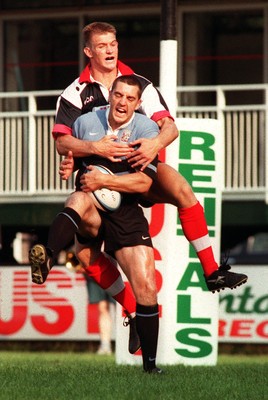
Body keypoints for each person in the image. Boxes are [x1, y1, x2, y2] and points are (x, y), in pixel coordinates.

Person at [52, 21, 248, 293]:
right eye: (101, 46)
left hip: (137, 170)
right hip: (97, 180)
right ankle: (131, 312)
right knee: (85, 255)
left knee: (182, 189)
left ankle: (212, 271)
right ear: (89, 52)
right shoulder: (75, 93)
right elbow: (62, 142)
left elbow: (170, 127)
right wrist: (97, 148)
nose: (109, 51)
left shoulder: (140, 85)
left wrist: (154, 144)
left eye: (113, 44)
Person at [30, 75, 162, 373]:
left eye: (130, 99)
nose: (123, 103)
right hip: (91, 202)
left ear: (138, 104)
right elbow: (72, 158)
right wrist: (68, 164)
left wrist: (106, 179)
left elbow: (143, 182)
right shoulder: (86, 122)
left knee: (147, 289)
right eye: (119, 96)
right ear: (110, 95)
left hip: (125, 209)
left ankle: (151, 368)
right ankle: (48, 256)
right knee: (77, 199)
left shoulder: (146, 129)